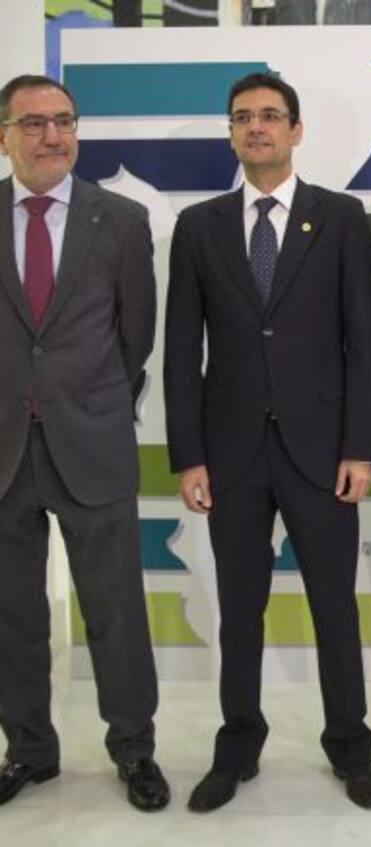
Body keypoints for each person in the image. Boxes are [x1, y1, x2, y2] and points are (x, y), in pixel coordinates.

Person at [164, 72, 371, 812]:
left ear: (296, 130)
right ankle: (237, 747)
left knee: (334, 608)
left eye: (269, 115)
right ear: (231, 133)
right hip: (230, 453)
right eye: (242, 117)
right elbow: (180, 350)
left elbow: (364, 341)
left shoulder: (341, 217)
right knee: (240, 608)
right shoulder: (199, 226)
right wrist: (189, 456)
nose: (255, 127)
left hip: (323, 450)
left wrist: (361, 446)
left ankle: (350, 748)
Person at [0, 74, 169, 810]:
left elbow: (136, 337)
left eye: (64, 121)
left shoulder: (120, 220)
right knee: (13, 614)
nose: (53, 137)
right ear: (4, 136)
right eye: (34, 124)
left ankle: (134, 749)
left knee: (115, 610)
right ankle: (29, 750)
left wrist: (89, 401)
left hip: (92, 442)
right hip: (4, 449)